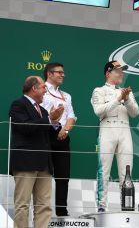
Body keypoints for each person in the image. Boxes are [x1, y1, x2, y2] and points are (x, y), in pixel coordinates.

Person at [9, 76, 64, 228]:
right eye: (43, 87)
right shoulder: (18, 104)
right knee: (22, 204)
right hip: (25, 162)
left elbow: (50, 137)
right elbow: (24, 127)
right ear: (34, 88)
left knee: (44, 206)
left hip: (44, 164)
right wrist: (48, 120)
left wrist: (55, 122)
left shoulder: (44, 110)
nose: (46, 91)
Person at [91, 61, 139, 212]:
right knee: (104, 170)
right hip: (107, 129)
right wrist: (118, 99)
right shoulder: (99, 90)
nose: (121, 73)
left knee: (126, 171)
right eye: (117, 71)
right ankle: (101, 206)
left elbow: (135, 113)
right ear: (107, 73)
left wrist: (127, 99)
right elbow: (99, 111)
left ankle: (126, 205)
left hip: (125, 131)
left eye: (122, 71)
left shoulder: (127, 92)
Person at [42, 62, 77, 217]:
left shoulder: (67, 95)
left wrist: (66, 129)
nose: (63, 75)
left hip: (63, 136)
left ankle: (62, 212)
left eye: (63, 72)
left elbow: (71, 116)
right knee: (43, 176)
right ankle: (42, 212)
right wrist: (54, 123)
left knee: (63, 177)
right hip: (44, 136)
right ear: (49, 74)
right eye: (59, 72)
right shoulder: (40, 90)